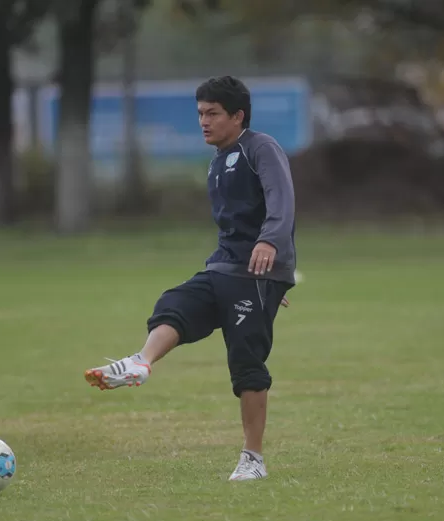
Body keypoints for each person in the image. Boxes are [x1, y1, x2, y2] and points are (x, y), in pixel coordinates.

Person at [84, 76, 296, 482]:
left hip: (254, 274)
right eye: (200, 113)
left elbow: (281, 200)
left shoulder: (260, 148)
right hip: (225, 268)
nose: (203, 121)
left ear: (238, 116)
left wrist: (271, 258)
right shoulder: (218, 162)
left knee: (246, 362)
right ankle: (141, 362)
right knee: (174, 303)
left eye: (212, 113)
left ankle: (253, 459)